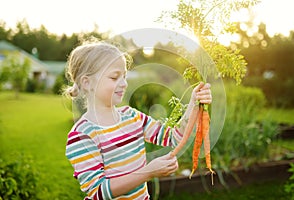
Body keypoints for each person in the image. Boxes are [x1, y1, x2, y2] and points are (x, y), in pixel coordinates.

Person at [64, 41, 212, 200]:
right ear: (87, 83)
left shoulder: (133, 117)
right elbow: (98, 192)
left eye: (124, 76)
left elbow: (173, 138)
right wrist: (148, 172)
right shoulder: (81, 136)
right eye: (114, 77)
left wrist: (194, 103)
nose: (124, 83)